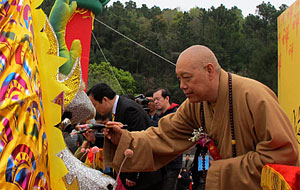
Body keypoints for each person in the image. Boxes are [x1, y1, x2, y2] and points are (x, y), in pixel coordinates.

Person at [103, 45, 299, 190]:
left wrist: (221, 172)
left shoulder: (254, 97)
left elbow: (283, 156)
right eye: (179, 79)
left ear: (210, 71)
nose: (182, 86)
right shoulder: (196, 106)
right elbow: (164, 135)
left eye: (187, 78)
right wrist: (125, 139)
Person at [88, 83, 162, 190]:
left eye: (95, 105)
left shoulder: (128, 109)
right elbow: (118, 139)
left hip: (142, 177)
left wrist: (133, 175)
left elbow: (139, 142)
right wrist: (94, 139)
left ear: (104, 100)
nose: (95, 110)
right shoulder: (119, 109)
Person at [153, 88, 183, 190]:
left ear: (167, 98)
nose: (155, 102)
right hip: (160, 163)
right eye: (154, 100)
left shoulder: (176, 113)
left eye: (158, 99)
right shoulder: (159, 116)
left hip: (172, 161)